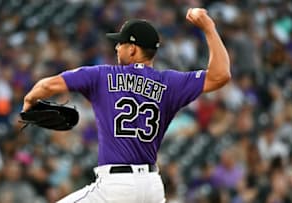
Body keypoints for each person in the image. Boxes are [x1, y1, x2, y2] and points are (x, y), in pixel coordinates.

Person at [22, 8, 230, 203]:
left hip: (116, 186)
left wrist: (29, 102)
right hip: (152, 187)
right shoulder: (170, 83)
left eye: (120, 43)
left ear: (132, 49)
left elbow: (47, 85)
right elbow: (221, 75)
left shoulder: (101, 75)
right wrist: (209, 27)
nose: (116, 47)